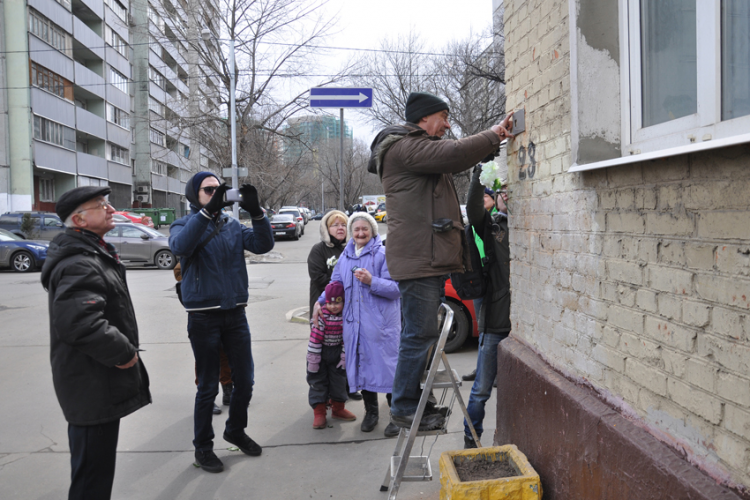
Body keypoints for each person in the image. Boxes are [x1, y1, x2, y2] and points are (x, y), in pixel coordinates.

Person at [368, 91, 513, 431]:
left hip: (424, 257)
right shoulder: (405, 147)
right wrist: (492, 134)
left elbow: (455, 157)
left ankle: (417, 401)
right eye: (443, 117)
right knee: (418, 334)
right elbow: (454, 153)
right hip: (419, 258)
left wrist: (489, 150)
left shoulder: (415, 149)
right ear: (423, 118)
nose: (447, 124)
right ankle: (404, 407)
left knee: (422, 333)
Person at [41, 186, 151, 500]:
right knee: (92, 479)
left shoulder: (91, 252)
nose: (111, 209)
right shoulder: (79, 261)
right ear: (80, 220)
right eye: (100, 205)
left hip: (94, 382)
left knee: (95, 473)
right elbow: (79, 323)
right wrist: (125, 353)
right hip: (91, 385)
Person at [169, 172, 274, 473]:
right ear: (195, 194)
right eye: (208, 189)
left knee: (245, 381)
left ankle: (235, 430)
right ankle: (203, 448)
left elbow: (263, 245)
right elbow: (181, 246)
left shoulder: (232, 226)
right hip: (203, 317)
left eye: (218, 189)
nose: (215, 193)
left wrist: (257, 213)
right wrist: (205, 212)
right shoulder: (183, 224)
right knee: (207, 388)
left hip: (235, 313)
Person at [313, 212, 401, 437]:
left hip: (380, 326)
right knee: (363, 367)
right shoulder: (346, 255)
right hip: (355, 325)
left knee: (389, 370)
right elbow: (335, 282)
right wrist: (320, 301)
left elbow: (396, 289)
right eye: (357, 230)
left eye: (365, 229)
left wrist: (372, 281)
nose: (360, 233)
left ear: (372, 231)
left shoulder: (383, 253)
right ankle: (371, 413)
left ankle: (397, 415)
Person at [463, 168, 511, 448]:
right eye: (503, 191)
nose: (506, 196)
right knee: (481, 387)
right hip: (496, 320)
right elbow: (472, 210)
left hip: (526, 327)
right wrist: (477, 173)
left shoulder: (535, 225)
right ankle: (471, 438)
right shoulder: (493, 227)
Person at [307, 210, 362, 401]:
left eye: (342, 224)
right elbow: (318, 277)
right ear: (326, 229)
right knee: (323, 353)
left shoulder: (353, 249)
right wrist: (343, 281)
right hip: (324, 310)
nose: (340, 228)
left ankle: (348, 387)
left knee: (348, 349)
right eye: (335, 224)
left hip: (347, 310)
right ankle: (325, 394)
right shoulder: (319, 250)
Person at [175, 262, 232, 415]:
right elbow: (178, 270)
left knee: (226, 354)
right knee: (205, 358)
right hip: (203, 313)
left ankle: (228, 390)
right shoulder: (196, 246)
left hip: (228, 310)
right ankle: (208, 397)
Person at [307, 281, 357, 428]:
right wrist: (314, 360)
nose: (333, 306)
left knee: (339, 381)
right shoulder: (321, 317)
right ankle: (319, 413)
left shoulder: (346, 317)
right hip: (320, 352)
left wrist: (344, 356)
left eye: (337, 302)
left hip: (337, 353)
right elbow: (315, 339)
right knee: (317, 381)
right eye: (330, 302)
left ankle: (338, 409)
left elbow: (346, 340)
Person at [462, 186, 498, 383]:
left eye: (485, 197)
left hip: (493, 278)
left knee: (494, 328)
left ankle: (494, 372)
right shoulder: (475, 222)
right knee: (482, 328)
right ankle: (482, 369)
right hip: (478, 279)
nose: (482, 201)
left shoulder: (494, 221)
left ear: (493, 199)